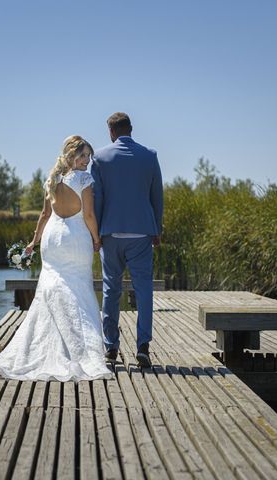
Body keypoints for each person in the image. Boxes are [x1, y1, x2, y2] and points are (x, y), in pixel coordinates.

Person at [0, 135, 113, 382]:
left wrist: (34, 242)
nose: (87, 161)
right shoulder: (84, 180)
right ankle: (79, 350)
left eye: (88, 156)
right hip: (75, 238)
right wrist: (96, 238)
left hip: (52, 239)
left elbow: (44, 215)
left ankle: (45, 347)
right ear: (71, 156)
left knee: (51, 289)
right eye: (82, 155)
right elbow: (87, 214)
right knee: (77, 289)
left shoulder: (52, 180)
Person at [91, 113, 164, 368]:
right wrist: (157, 229)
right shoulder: (150, 156)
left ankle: (111, 348)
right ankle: (143, 346)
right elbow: (157, 196)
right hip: (142, 233)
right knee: (144, 290)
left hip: (111, 234)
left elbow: (96, 199)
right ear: (131, 130)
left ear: (111, 131)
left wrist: (96, 234)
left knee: (111, 291)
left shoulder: (99, 158)